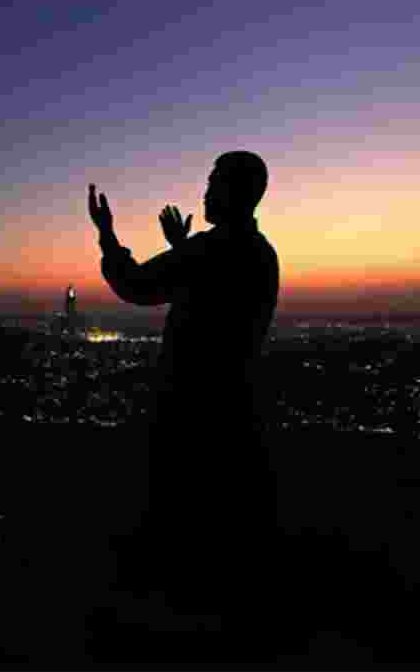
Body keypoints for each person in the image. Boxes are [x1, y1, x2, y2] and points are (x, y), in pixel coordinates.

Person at [87, 151, 280, 616]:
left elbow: (137, 285)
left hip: (189, 407)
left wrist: (106, 233)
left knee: (179, 513)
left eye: (214, 182)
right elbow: (213, 292)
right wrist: (183, 247)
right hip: (237, 404)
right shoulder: (260, 252)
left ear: (235, 191)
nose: (205, 191)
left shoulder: (209, 251)